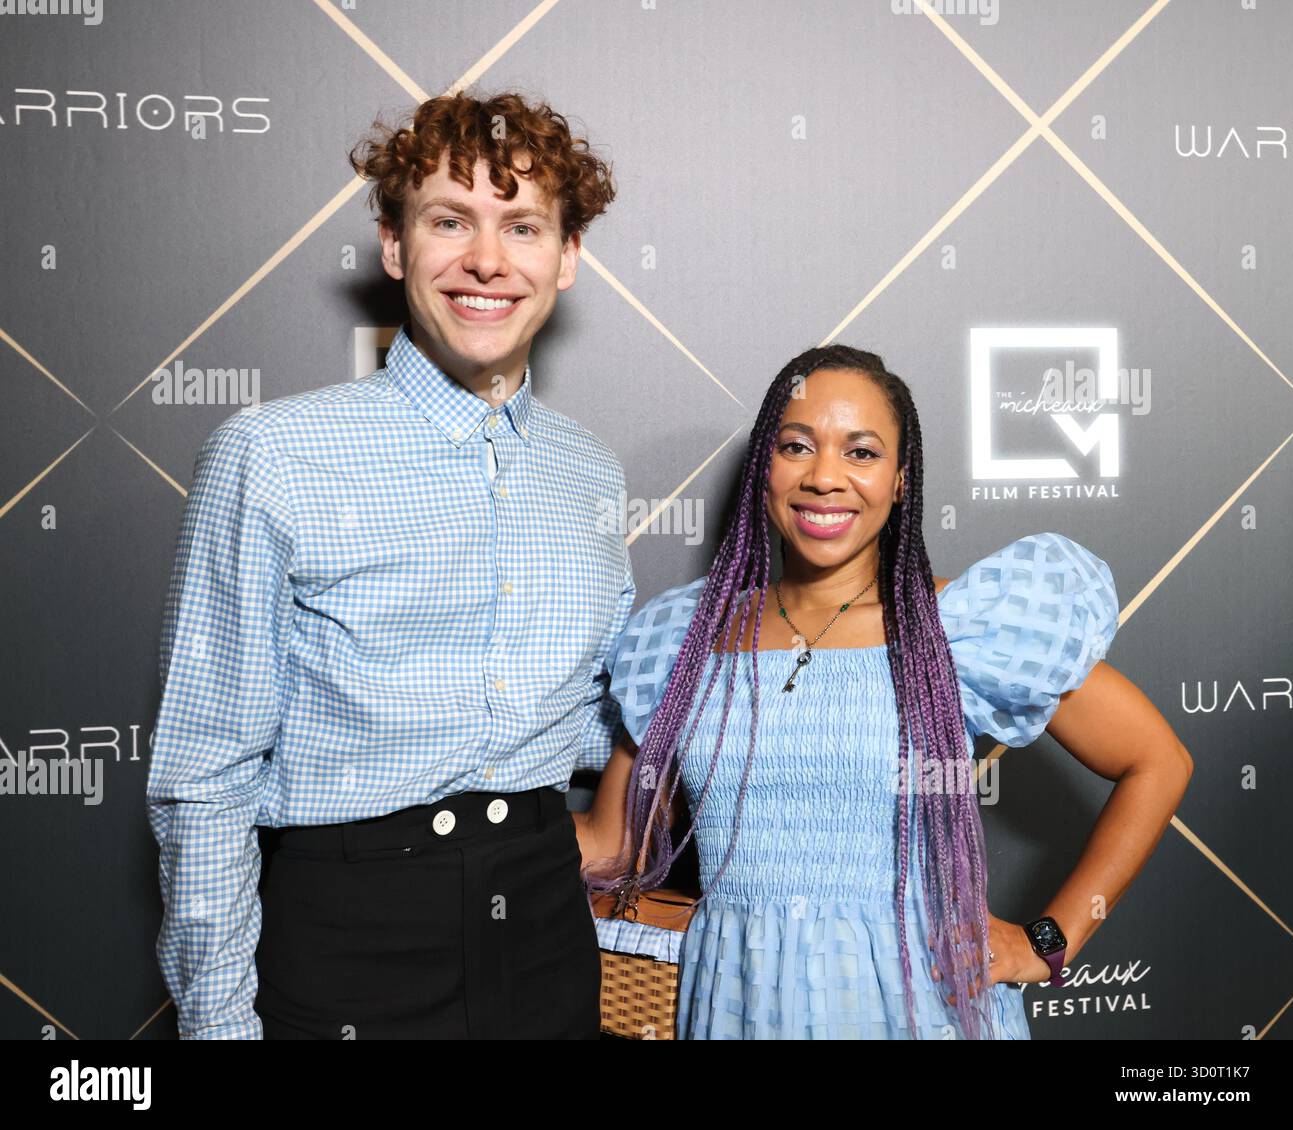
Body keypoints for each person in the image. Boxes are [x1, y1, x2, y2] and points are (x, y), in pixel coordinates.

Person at [145, 91, 632, 1039]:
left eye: (522, 226)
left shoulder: (591, 471)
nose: (487, 260)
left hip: (545, 936)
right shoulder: (273, 454)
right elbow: (203, 777)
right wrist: (217, 1027)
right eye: (451, 220)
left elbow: (602, 714)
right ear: (396, 245)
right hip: (347, 945)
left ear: (567, 257)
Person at [576, 345, 1194, 1040]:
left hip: (916, 1005)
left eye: (861, 453)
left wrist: (1048, 942)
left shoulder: (955, 629)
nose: (825, 477)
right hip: (735, 1001)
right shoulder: (684, 637)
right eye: (797, 446)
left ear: (901, 480)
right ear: (764, 468)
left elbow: (1158, 761)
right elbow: (609, 846)